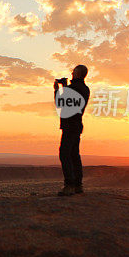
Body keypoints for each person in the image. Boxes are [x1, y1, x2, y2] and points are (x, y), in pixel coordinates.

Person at [54, 65, 90, 196]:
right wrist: (65, 87)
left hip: (70, 125)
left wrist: (58, 89)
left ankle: (69, 185)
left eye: (73, 71)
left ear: (78, 74)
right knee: (74, 155)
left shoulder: (74, 88)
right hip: (76, 125)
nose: (71, 73)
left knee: (64, 154)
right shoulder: (84, 88)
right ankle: (78, 185)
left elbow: (61, 103)